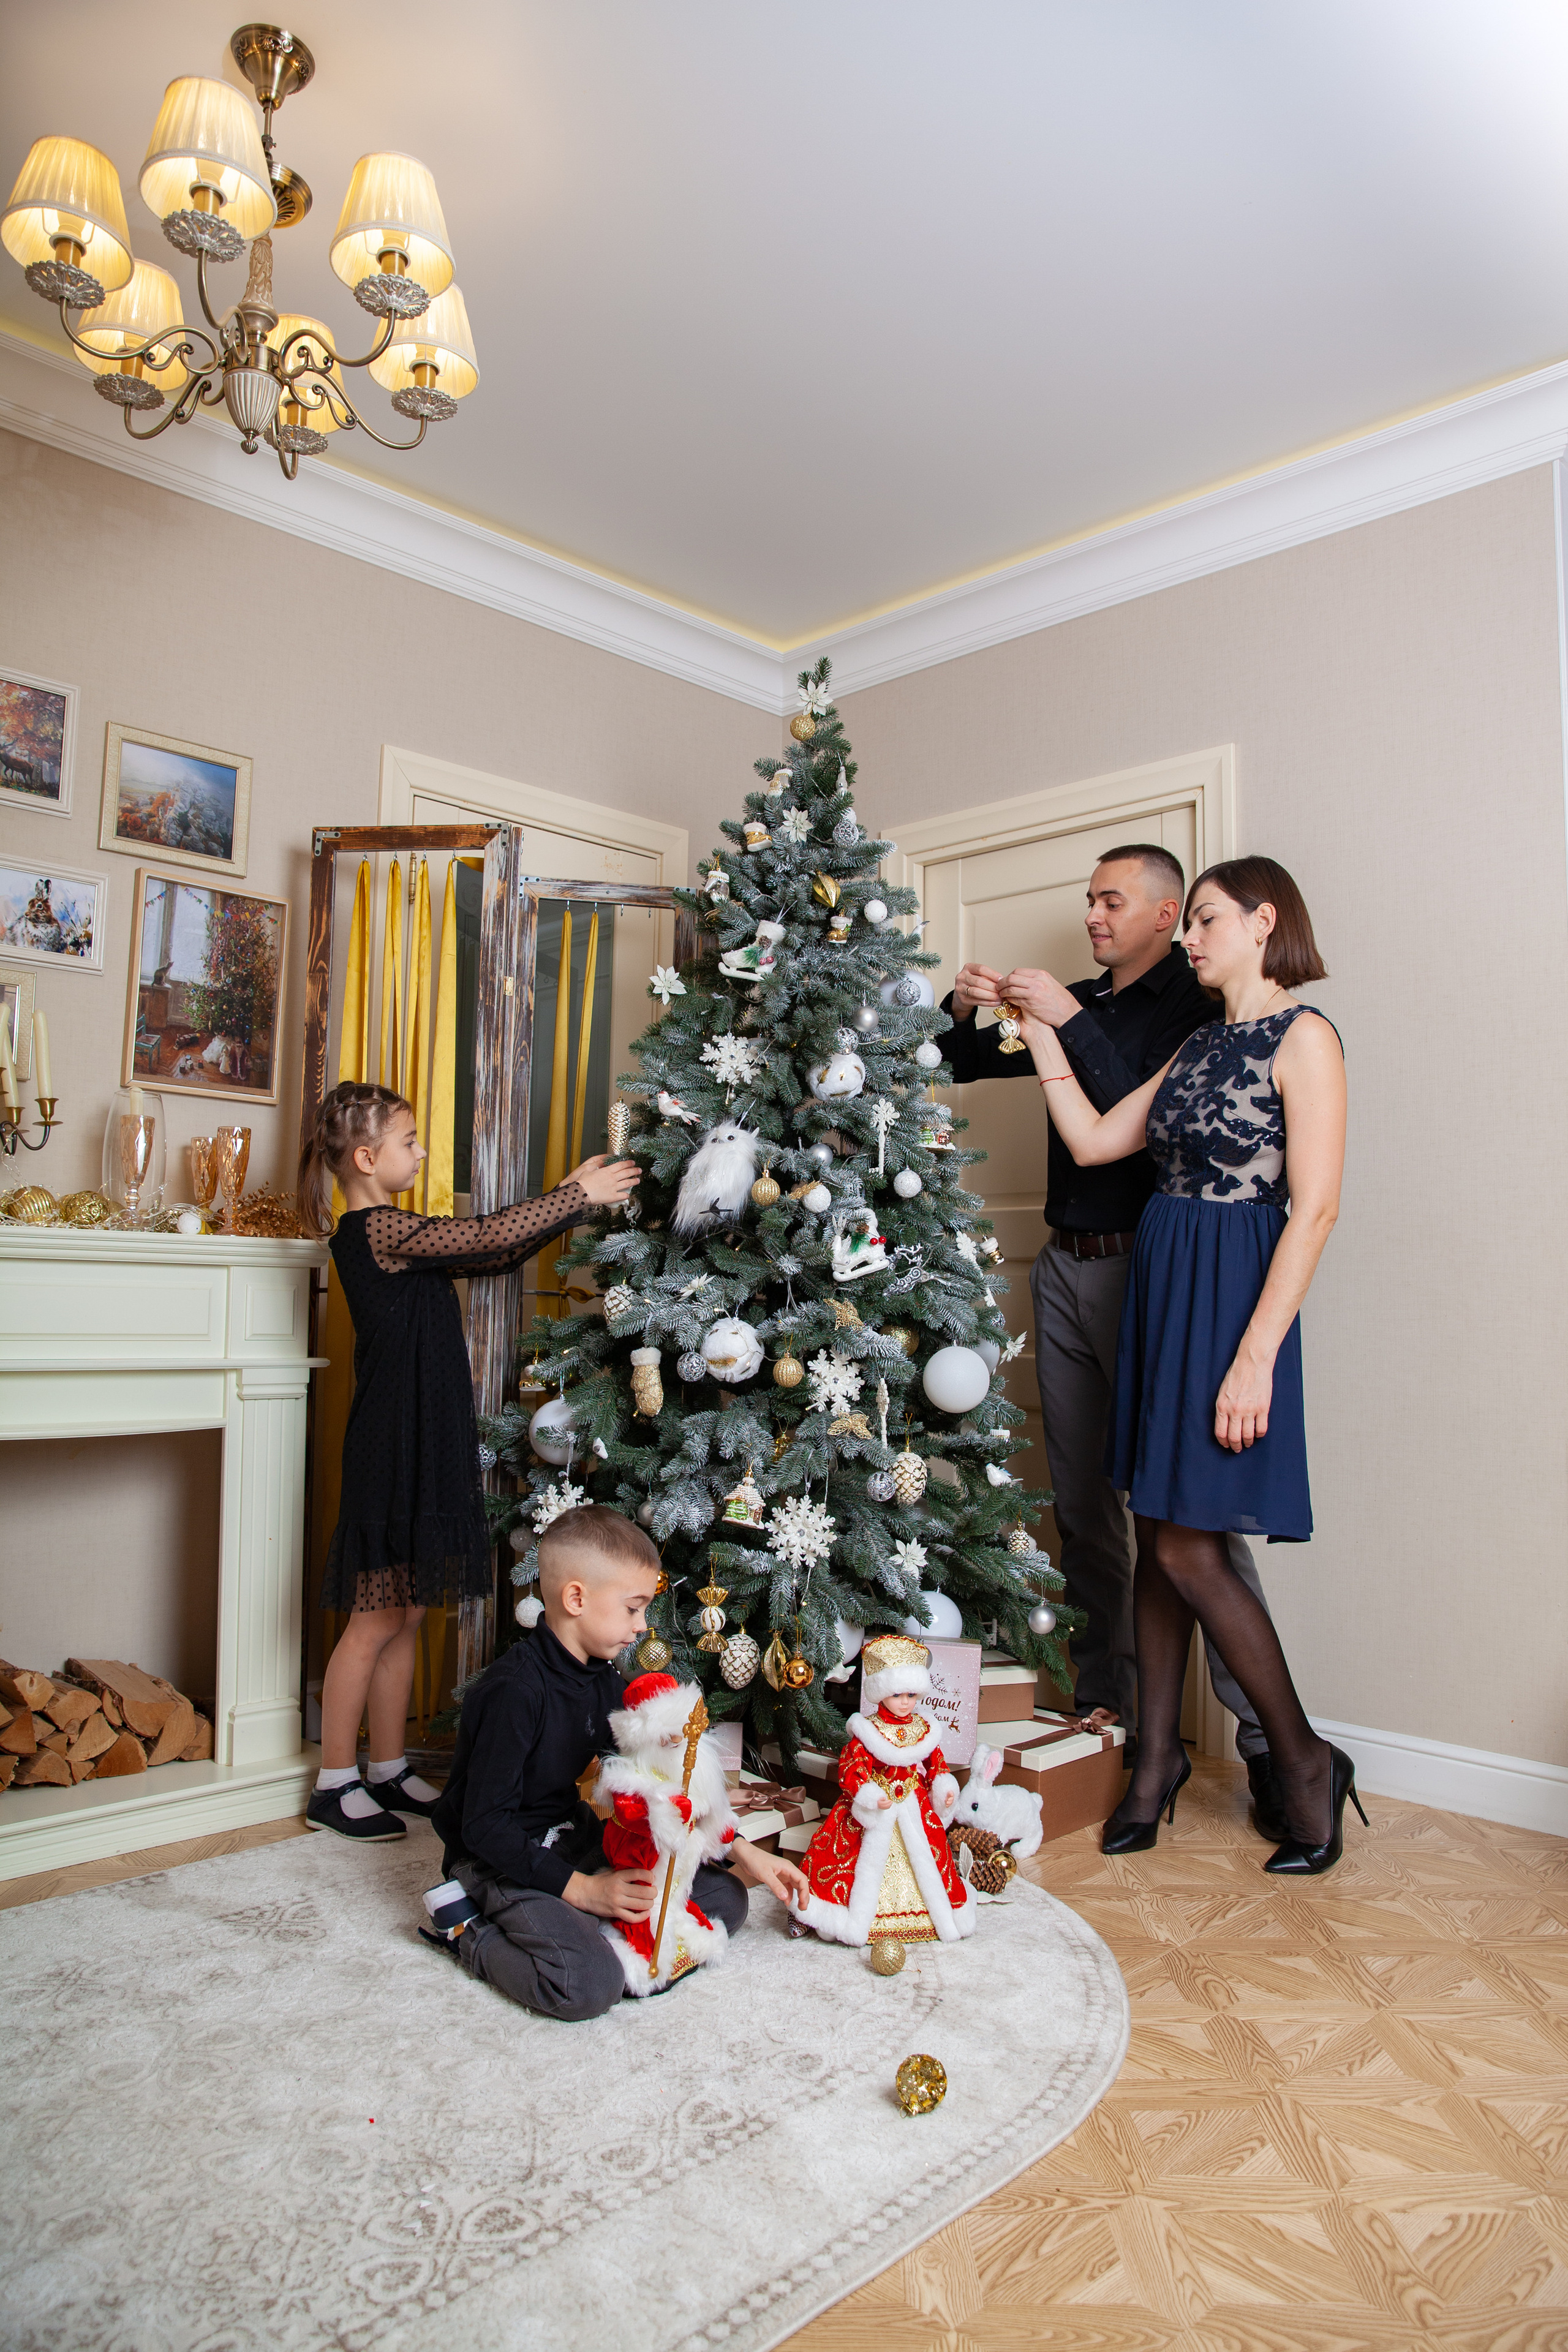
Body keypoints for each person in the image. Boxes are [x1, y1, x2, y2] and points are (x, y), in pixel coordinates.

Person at [1019, 856, 1362, 1874]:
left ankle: (1304, 1764)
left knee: (1187, 1551)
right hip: (1163, 1290)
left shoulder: (1306, 1038)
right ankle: (1156, 1763)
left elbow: (1317, 1207)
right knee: (1157, 1529)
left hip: (1231, 1300)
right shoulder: (1201, 1043)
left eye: (1208, 920)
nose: (1195, 938)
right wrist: (1040, 1028)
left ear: (1265, 923)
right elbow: (1091, 1141)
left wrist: (1255, 1357)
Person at [938, 844, 1284, 1836]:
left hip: (1155, 1273)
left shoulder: (1200, 1005)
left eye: (1111, 900)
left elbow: (1138, 1106)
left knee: (1190, 1521)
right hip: (1064, 1266)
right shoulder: (1078, 995)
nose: (1092, 915)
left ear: (1170, 912)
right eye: (1088, 900)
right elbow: (959, 1063)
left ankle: (1267, 1746)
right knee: (1084, 1503)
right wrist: (967, 1009)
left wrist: (1067, 1018)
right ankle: (1117, 1720)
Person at [296, 1080, 639, 1842]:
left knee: (410, 1609)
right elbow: (483, 1235)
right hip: (393, 1443)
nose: (420, 1153)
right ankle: (333, 1780)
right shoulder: (374, 1229)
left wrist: (575, 1204)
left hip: (425, 1435)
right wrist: (570, 1192)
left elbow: (497, 1250)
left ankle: (386, 1767)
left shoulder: (399, 1238)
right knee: (375, 1616)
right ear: (364, 1157)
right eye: (410, 1142)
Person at [422, 1504, 809, 2017]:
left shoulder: (604, 1680)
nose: (643, 1626)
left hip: (572, 1836)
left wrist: (745, 1852)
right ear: (576, 1598)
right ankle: (468, 1932)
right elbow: (483, 1826)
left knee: (727, 1900)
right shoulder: (513, 1691)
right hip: (498, 1858)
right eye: (633, 1608)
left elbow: (660, 1779)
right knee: (589, 1985)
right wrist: (584, 1892)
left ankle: (593, 1930)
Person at [790, 1634, 975, 1947]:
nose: (905, 1702)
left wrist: (944, 1786)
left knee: (929, 1857)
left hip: (914, 1805)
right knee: (845, 1856)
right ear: (881, 1693)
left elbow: (936, 1764)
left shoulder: (924, 1729)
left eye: (912, 1695)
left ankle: (931, 1915)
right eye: (898, 1694)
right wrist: (868, 1793)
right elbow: (852, 1767)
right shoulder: (868, 1730)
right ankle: (825, 1912)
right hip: (877, 1805)